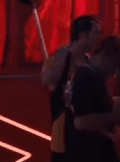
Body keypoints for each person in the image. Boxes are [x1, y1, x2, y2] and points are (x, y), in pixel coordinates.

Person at [42, 15, 100, 162]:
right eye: (95, 33)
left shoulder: (88, 60)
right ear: (83, 35)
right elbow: (47, 80)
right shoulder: (63, 54)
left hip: (83, 134)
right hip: (63, 132)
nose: (98, 38)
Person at [65, 35, 120, 162]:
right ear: (104, 56)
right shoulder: (88, 77)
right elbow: (80, 122)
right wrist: (115, 115)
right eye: (114, 64)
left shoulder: (87, 75)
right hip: (91, 153)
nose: (114, 72)